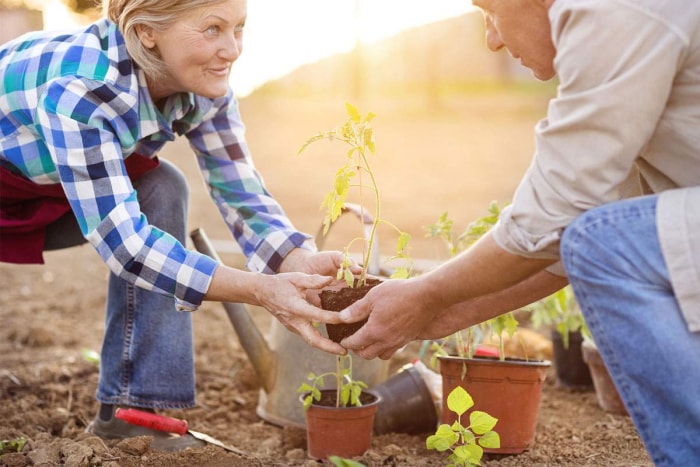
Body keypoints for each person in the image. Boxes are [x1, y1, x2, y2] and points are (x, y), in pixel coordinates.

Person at [335, 0, 700, 465]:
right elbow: (574, 233)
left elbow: (554, 218)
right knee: (602, 239)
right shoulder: (615, 44)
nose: (492, 40)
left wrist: (425, 295)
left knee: (602, 240)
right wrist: (440, 313)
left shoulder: (614, 10)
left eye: (490, 12)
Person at [0, 0, 349, 451]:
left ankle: (133, 412)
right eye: (212, 29)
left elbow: (239, 190)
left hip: (44, 185)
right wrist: (258, 289)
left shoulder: (206, 86)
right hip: (17, 179)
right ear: (148, 32)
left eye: (238, 28)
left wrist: (297, 258)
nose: (232, 49)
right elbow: (128, 247)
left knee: (162, 185)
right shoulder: (80, 88)